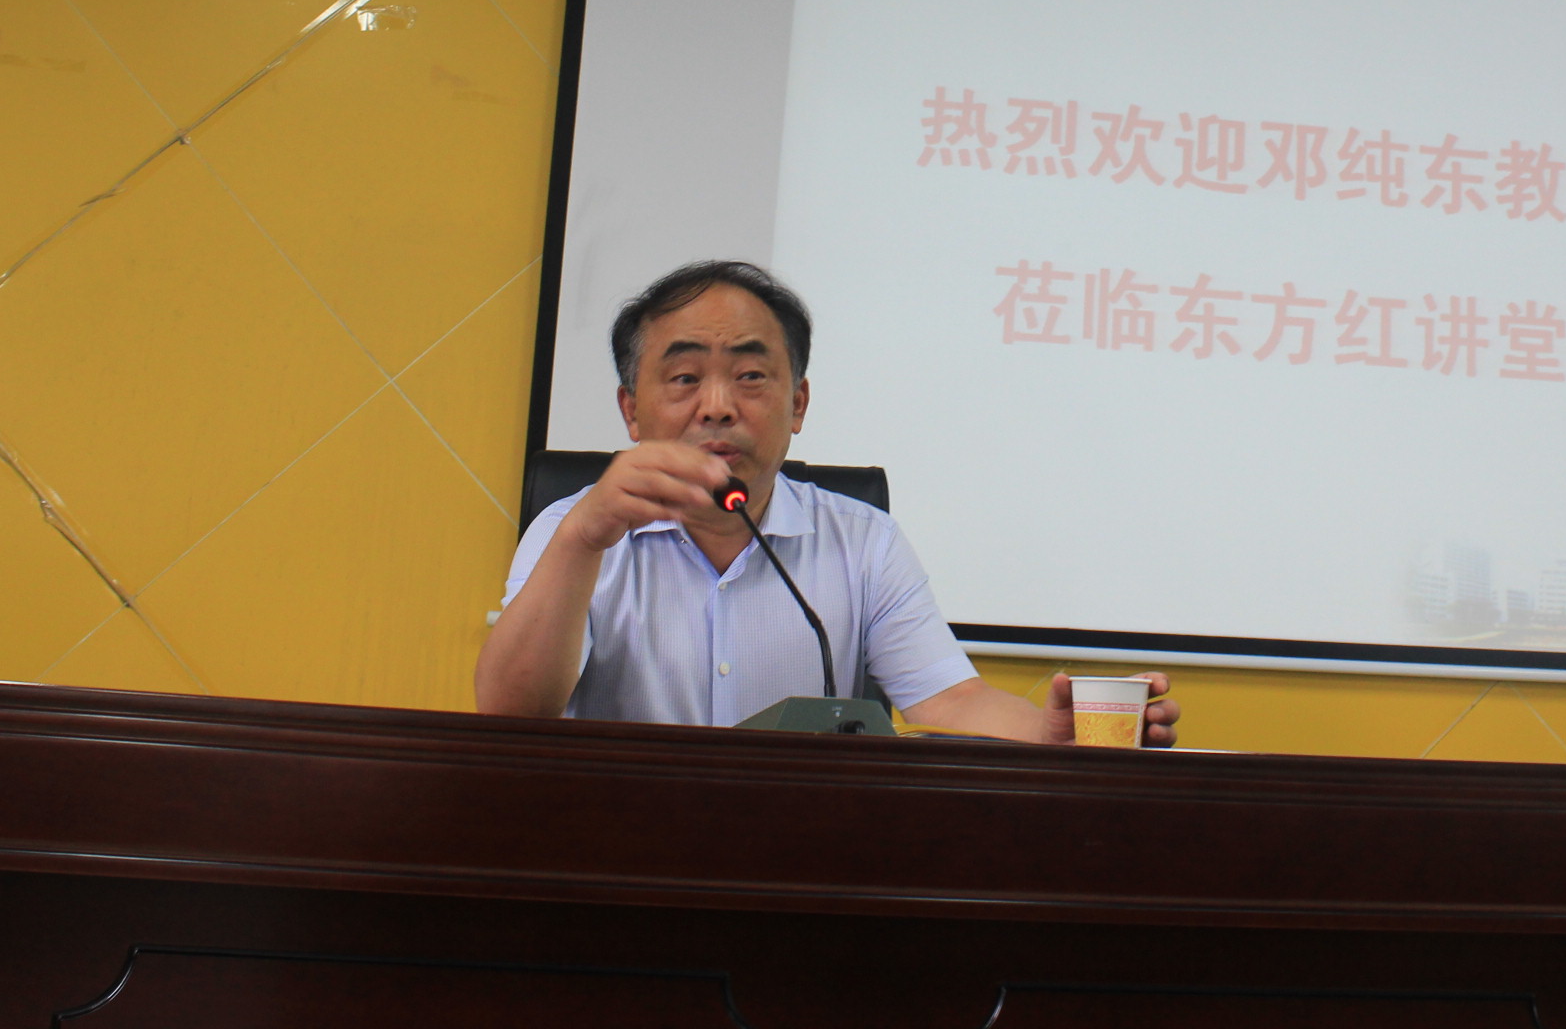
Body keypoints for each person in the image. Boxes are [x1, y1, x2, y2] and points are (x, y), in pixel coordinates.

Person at [475, 260, 1180, 745]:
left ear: (798, 403)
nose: (717, 406)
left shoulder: (862, 542)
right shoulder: (570, 532)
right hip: (625, 856)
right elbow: (509, 712)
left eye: (751, 376)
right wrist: (584, 538)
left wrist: (1052, 733)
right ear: (632, 410)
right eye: (685, 378)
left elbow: (949, 698)